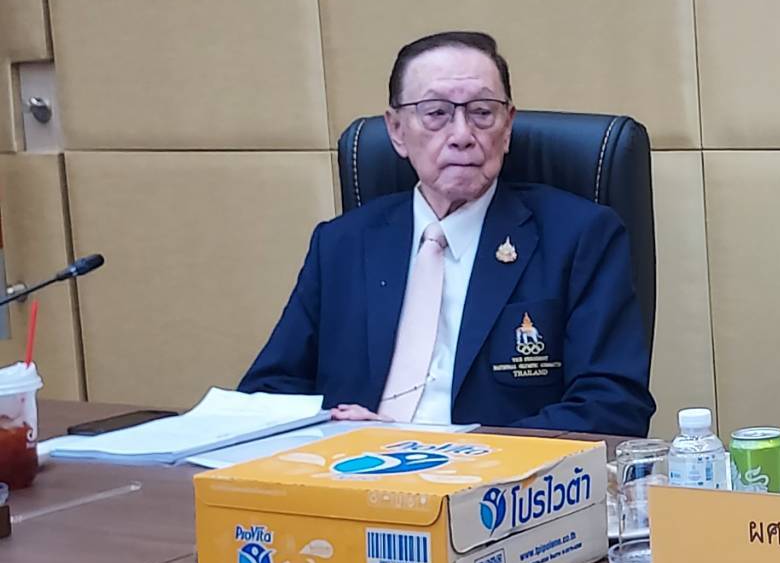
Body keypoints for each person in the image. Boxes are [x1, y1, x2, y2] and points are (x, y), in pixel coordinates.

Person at [240, 31, 654, 434]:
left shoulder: (580, 236)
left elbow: (611, 405)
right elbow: (268, 392)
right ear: (397, 130)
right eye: (436, 112)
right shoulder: (341, 244)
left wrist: (455, 449)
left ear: (507, 126)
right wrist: (333, 429)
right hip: (351, 469)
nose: (461, 136)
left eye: (482, 112)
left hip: (498, 474)